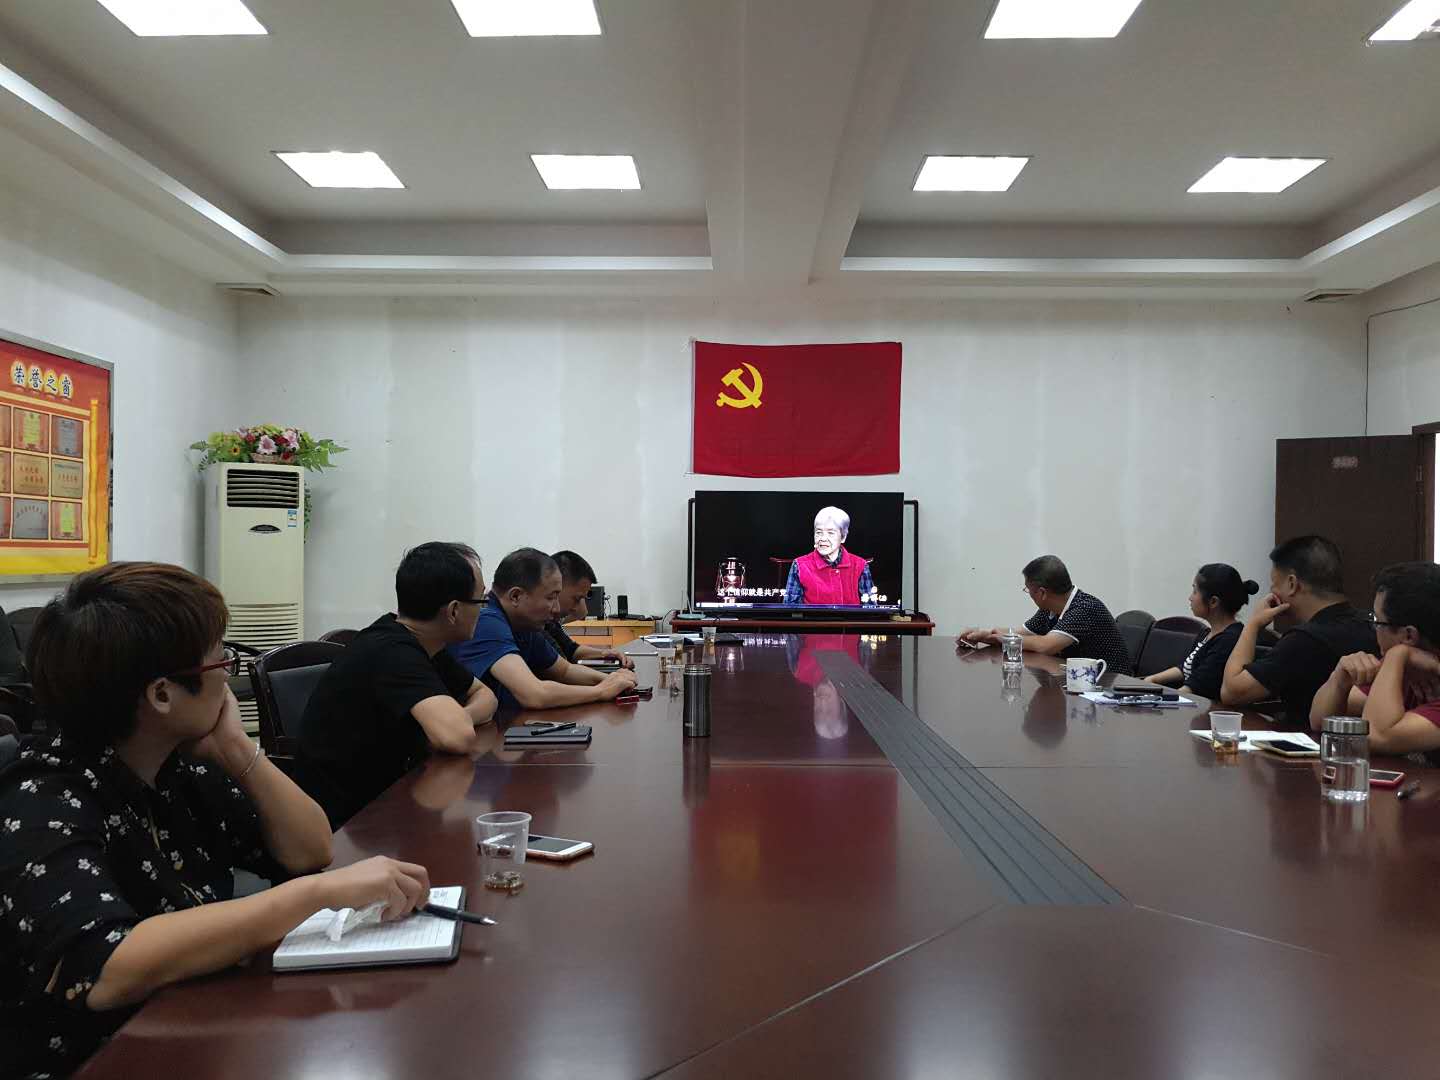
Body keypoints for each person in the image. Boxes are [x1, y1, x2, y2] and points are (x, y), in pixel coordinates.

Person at [0, 563, 432, 1080]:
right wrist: (314, 895)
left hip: (193, 1022)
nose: (228, 676)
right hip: (96, 1059)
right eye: (219, 661)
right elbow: (106, 967)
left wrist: (236, 747)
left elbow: (309, 849)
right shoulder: (42, 798)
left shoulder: (180, 765)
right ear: (162, 695)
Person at [296, 542, 499, 827]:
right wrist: (453, 724)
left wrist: (458, 718)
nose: (483, 610)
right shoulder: (391, 651)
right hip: (349, 820)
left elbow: (485, 696)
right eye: (480, 601)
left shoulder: (423, 642)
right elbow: (457, 737)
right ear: (454, 611)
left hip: (390, 796)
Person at [450, 547, 636, 714]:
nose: (556, 609)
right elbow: (534, 694)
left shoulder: (525, 625)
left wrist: (612, 679)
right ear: (516, 596)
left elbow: (564, 671)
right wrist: (601, 691)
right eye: (550, 597)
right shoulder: (487, 622)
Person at [1221, 535, 1378, 725]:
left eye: (1274, 584)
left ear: (1292, 584)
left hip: (1305, 739)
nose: (1272, 592)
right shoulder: (1375, 627)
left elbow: (1231, 692)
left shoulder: (1304, 640)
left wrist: (1253, 624)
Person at [1309, 561, 1440, 758]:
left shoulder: (1399, 661)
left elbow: (1377, 736)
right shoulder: (1408, 670)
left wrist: (1397, 654)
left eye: (1377, 622)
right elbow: (1321, 722)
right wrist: (1340, 680)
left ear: (1408, 635)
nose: (1374, 630)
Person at [958, 555, 1133, 676]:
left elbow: (1046, 645)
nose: (1028, 594)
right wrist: (985, 635)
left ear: (1042, 593)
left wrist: (1001, 639)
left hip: (1111, 685)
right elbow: (1020, 633)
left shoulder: (1084, 608)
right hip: (1081, 682)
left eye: (1028, 589)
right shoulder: (1049, 608)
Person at [1145, 564, 1259, 699]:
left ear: (1213, 602)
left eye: (1195, 591)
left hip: (1205, 706)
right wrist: (1152, 679)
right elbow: (1187, 667)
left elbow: (1196, 686)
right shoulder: (1208, 633)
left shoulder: (1229, 640)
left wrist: (1158, 700)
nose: (1190, 598)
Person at [544, 550, 634, 670]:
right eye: (577, 598)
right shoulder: (534, 627)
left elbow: (571, 650)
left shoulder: (549, 623)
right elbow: (564, 672)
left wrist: (606, 654)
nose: (576, 607)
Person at [784, 506, 878, 605]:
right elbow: (790, 608)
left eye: (830, 533)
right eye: (818, 532)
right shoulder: (799, 565)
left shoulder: (860, 565)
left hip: (851, 616)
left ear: (843, 537)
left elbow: (870, 607)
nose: (823, 538)